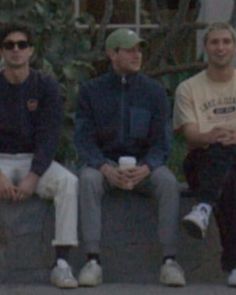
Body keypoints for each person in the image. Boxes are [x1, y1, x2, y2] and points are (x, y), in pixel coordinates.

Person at [74, 28, 185, 287]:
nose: (137, 55)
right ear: (113, 54)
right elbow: (83, 138)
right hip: (106, 165)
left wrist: (148, 167)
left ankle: (169, 261)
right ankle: (93, 260)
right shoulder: (91, 91)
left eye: (139, 49)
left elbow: (162, 140)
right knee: (88, 180)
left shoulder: (154, 92)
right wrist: (104, 167)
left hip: (144, 165)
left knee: (168, 182)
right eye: (130, 50)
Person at [0, 23, 79, 288]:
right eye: (9, 45)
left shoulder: (46, 85)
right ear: (2, 51)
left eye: (22, 44)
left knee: (68, 182)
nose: (16, 50)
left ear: (31, 51)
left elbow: (50, 136)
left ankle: (62, 263)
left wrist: (34, 176)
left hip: (34, 160)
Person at [173, 22, 236, 286]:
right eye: (214, 42)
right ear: (205, 47)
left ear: (233, 47)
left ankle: (204, 207)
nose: (220, 48)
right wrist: (212, 136)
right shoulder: (188, 88)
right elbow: (190, 134)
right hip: (202, 159)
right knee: (222, 154)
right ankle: (233, 265)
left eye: (226, 42)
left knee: (232, 181)